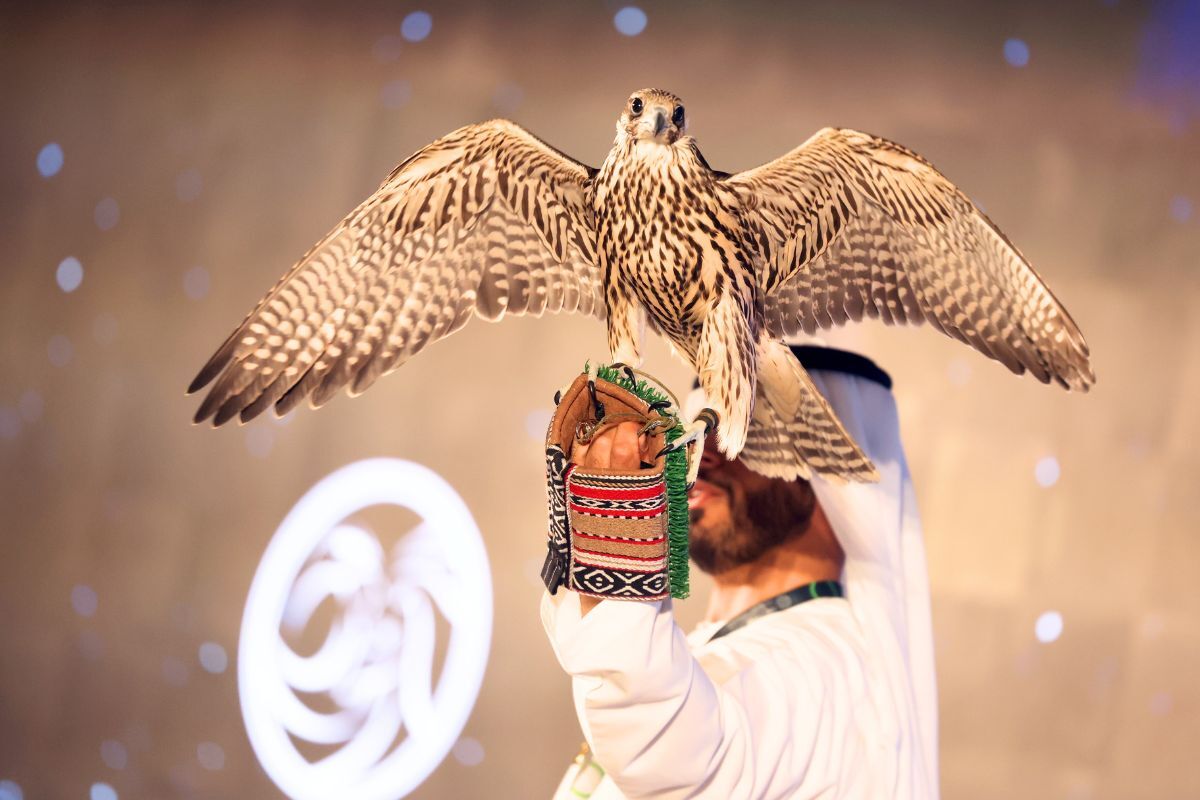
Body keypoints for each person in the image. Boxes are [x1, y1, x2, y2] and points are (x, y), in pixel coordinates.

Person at [541, 345, 939, 799]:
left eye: (746, 435)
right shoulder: (727, 646)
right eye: (699, 431)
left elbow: (684, 761)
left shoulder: (824, 667)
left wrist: (614, 542)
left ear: (836, 484)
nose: (702, 456)